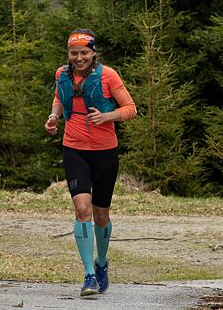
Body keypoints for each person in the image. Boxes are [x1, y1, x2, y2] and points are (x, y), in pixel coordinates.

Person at [44, 29, 137, 297]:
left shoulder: (108, 75)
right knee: (81, 208)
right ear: (69, 55)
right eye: (74, 53)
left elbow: (130, 108)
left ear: (93, 52)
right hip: (74, 150)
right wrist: (53, 117)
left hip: (105, 152)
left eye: (84, 52)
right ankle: (88, 275)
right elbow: (60, 99)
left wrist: (108, 117)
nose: (79, 58)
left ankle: (102, 262)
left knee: (101, 214)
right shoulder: (62, 74)